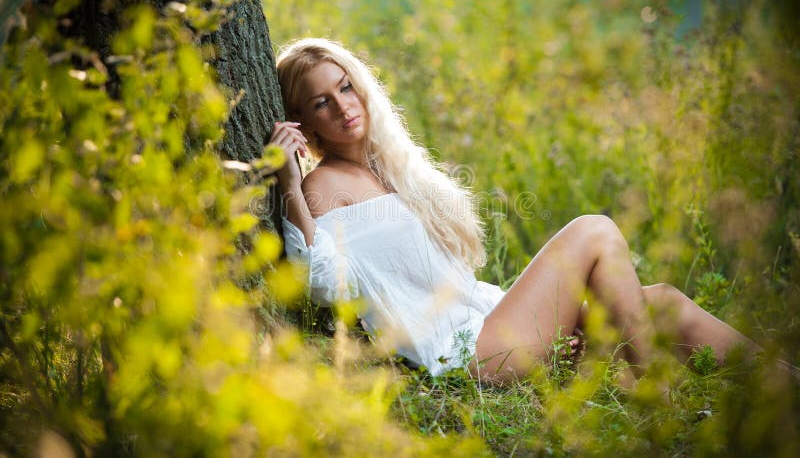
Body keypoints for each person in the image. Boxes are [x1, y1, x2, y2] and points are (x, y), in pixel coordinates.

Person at [267, 37, 779, 383]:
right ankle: (658, 399)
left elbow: (454, 287)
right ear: (302, 122)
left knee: (663, 302)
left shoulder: (390, 173)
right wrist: (290, 181)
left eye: (345, 86)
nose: (341, 105)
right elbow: (321, 283)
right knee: (593, 231)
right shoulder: (325, 185)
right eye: (320, 103)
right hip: (464, 354)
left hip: (488, 324)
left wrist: (546, 323)